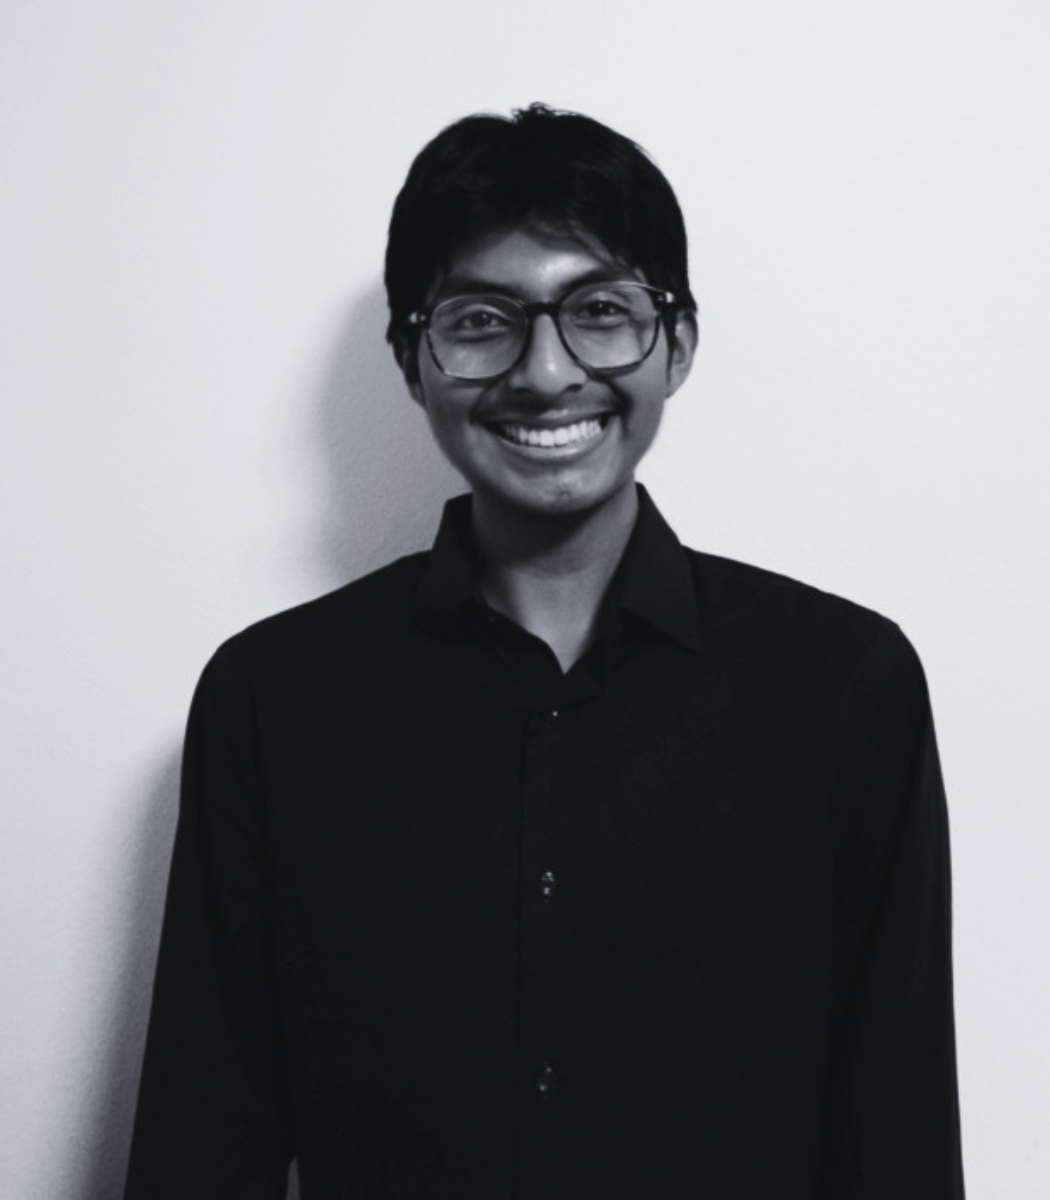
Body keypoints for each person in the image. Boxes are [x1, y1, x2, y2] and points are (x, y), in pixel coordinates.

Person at [124, 103, 965, 1199]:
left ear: (678, 344)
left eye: (601, 311)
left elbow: (897, 1132)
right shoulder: (272, 699)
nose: (546, 371)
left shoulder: (843, 687)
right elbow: (203, 1138)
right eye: (482, 320)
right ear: (412, 359)